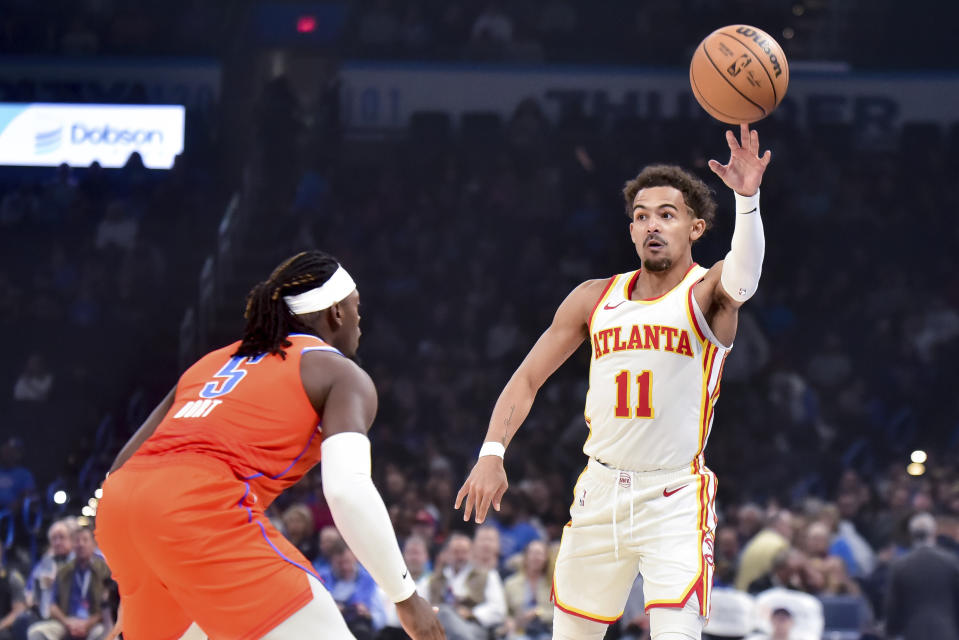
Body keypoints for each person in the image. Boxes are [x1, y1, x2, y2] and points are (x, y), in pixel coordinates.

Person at [457, 124, 772, 640]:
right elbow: (527, 378)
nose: (652, 225)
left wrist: (748, 200)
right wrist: (493, 451)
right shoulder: (594, 297)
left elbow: (746, 277)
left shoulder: (708, 291)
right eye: (642, 216)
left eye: (667, 215)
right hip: (599, 489)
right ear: (630, 230)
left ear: (695, 228)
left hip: (673, 493)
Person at [95, 251, 444, 640]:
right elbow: (347, 490)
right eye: (356, 306)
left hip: (123, 515)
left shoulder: (211, 362)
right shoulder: (340, 373)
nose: (360, 319)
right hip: (197, 512)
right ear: (336, 314)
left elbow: (121, 469)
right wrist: (405, 597)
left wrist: (139, 572)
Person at [885, 512, 959, 640]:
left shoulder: (900, 566)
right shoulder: (951, 562)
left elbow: (893, 608)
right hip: (947, 632)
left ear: (911, 534)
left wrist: (890, 630)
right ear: (934, 532)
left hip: (914, 633)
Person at [26, 526, 109, 640]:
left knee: (106, 635)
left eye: (85, 540)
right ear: (72, 545)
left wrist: (88, 623)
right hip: (66, 621)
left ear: (93, 544)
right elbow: (52, 605)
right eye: (77, 541)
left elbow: (108, 606)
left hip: (93, 622)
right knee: (36, 632)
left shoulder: (104, 570)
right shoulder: (63, 571)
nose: (80, 544)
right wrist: (67, 622)